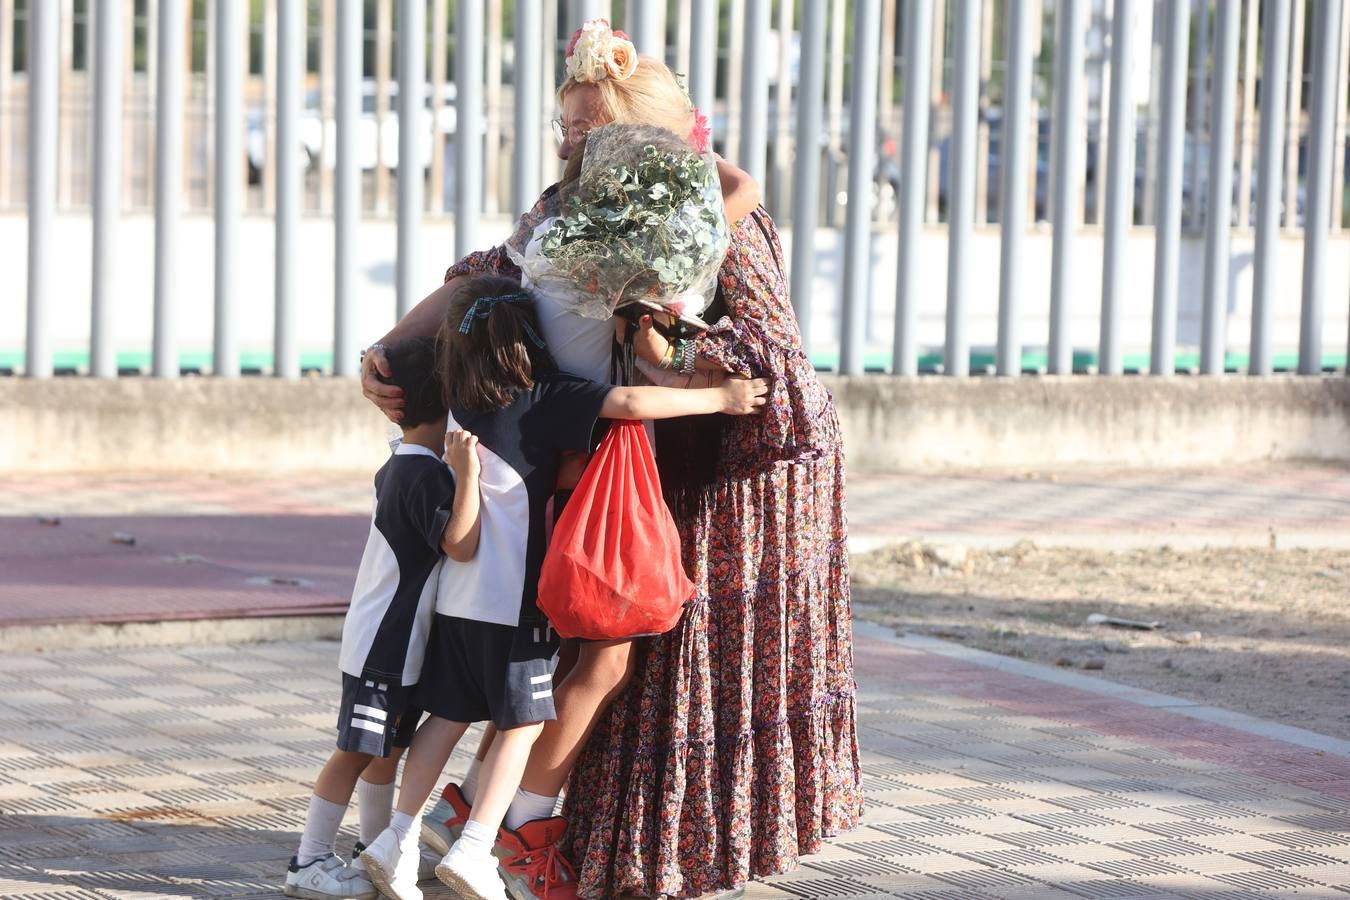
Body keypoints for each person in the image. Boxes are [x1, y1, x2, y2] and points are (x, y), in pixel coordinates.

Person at [362, 21, 862, 899]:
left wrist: (695, 353)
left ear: (650, 134)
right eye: (567, 126)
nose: (570, 143)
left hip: (695, 483)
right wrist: (392, 347)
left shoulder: (699, 224)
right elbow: (482, 276)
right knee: (578, 656)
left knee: (583, 658)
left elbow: (766, 346)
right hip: (606, 469)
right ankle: (497, 830)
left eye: (590, 127)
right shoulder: (564, 221)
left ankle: (467, 820)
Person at [358, 276, 770, 900]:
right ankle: (477, 847)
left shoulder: (459, 405)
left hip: (459, 597)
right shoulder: (543, 394)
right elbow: (631, 405)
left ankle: (395, 838)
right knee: (523, 721)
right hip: (517, 600)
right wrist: (723, 398)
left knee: (445, 719)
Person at [284, 336, 477, 900]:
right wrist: (467, 473)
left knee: (382, 747)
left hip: (393, 642)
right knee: (356, 749)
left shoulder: (406, 462)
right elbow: (460, 545)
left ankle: (371, 852)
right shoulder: (423, 474)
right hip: (383, 646)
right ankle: (307, 862)